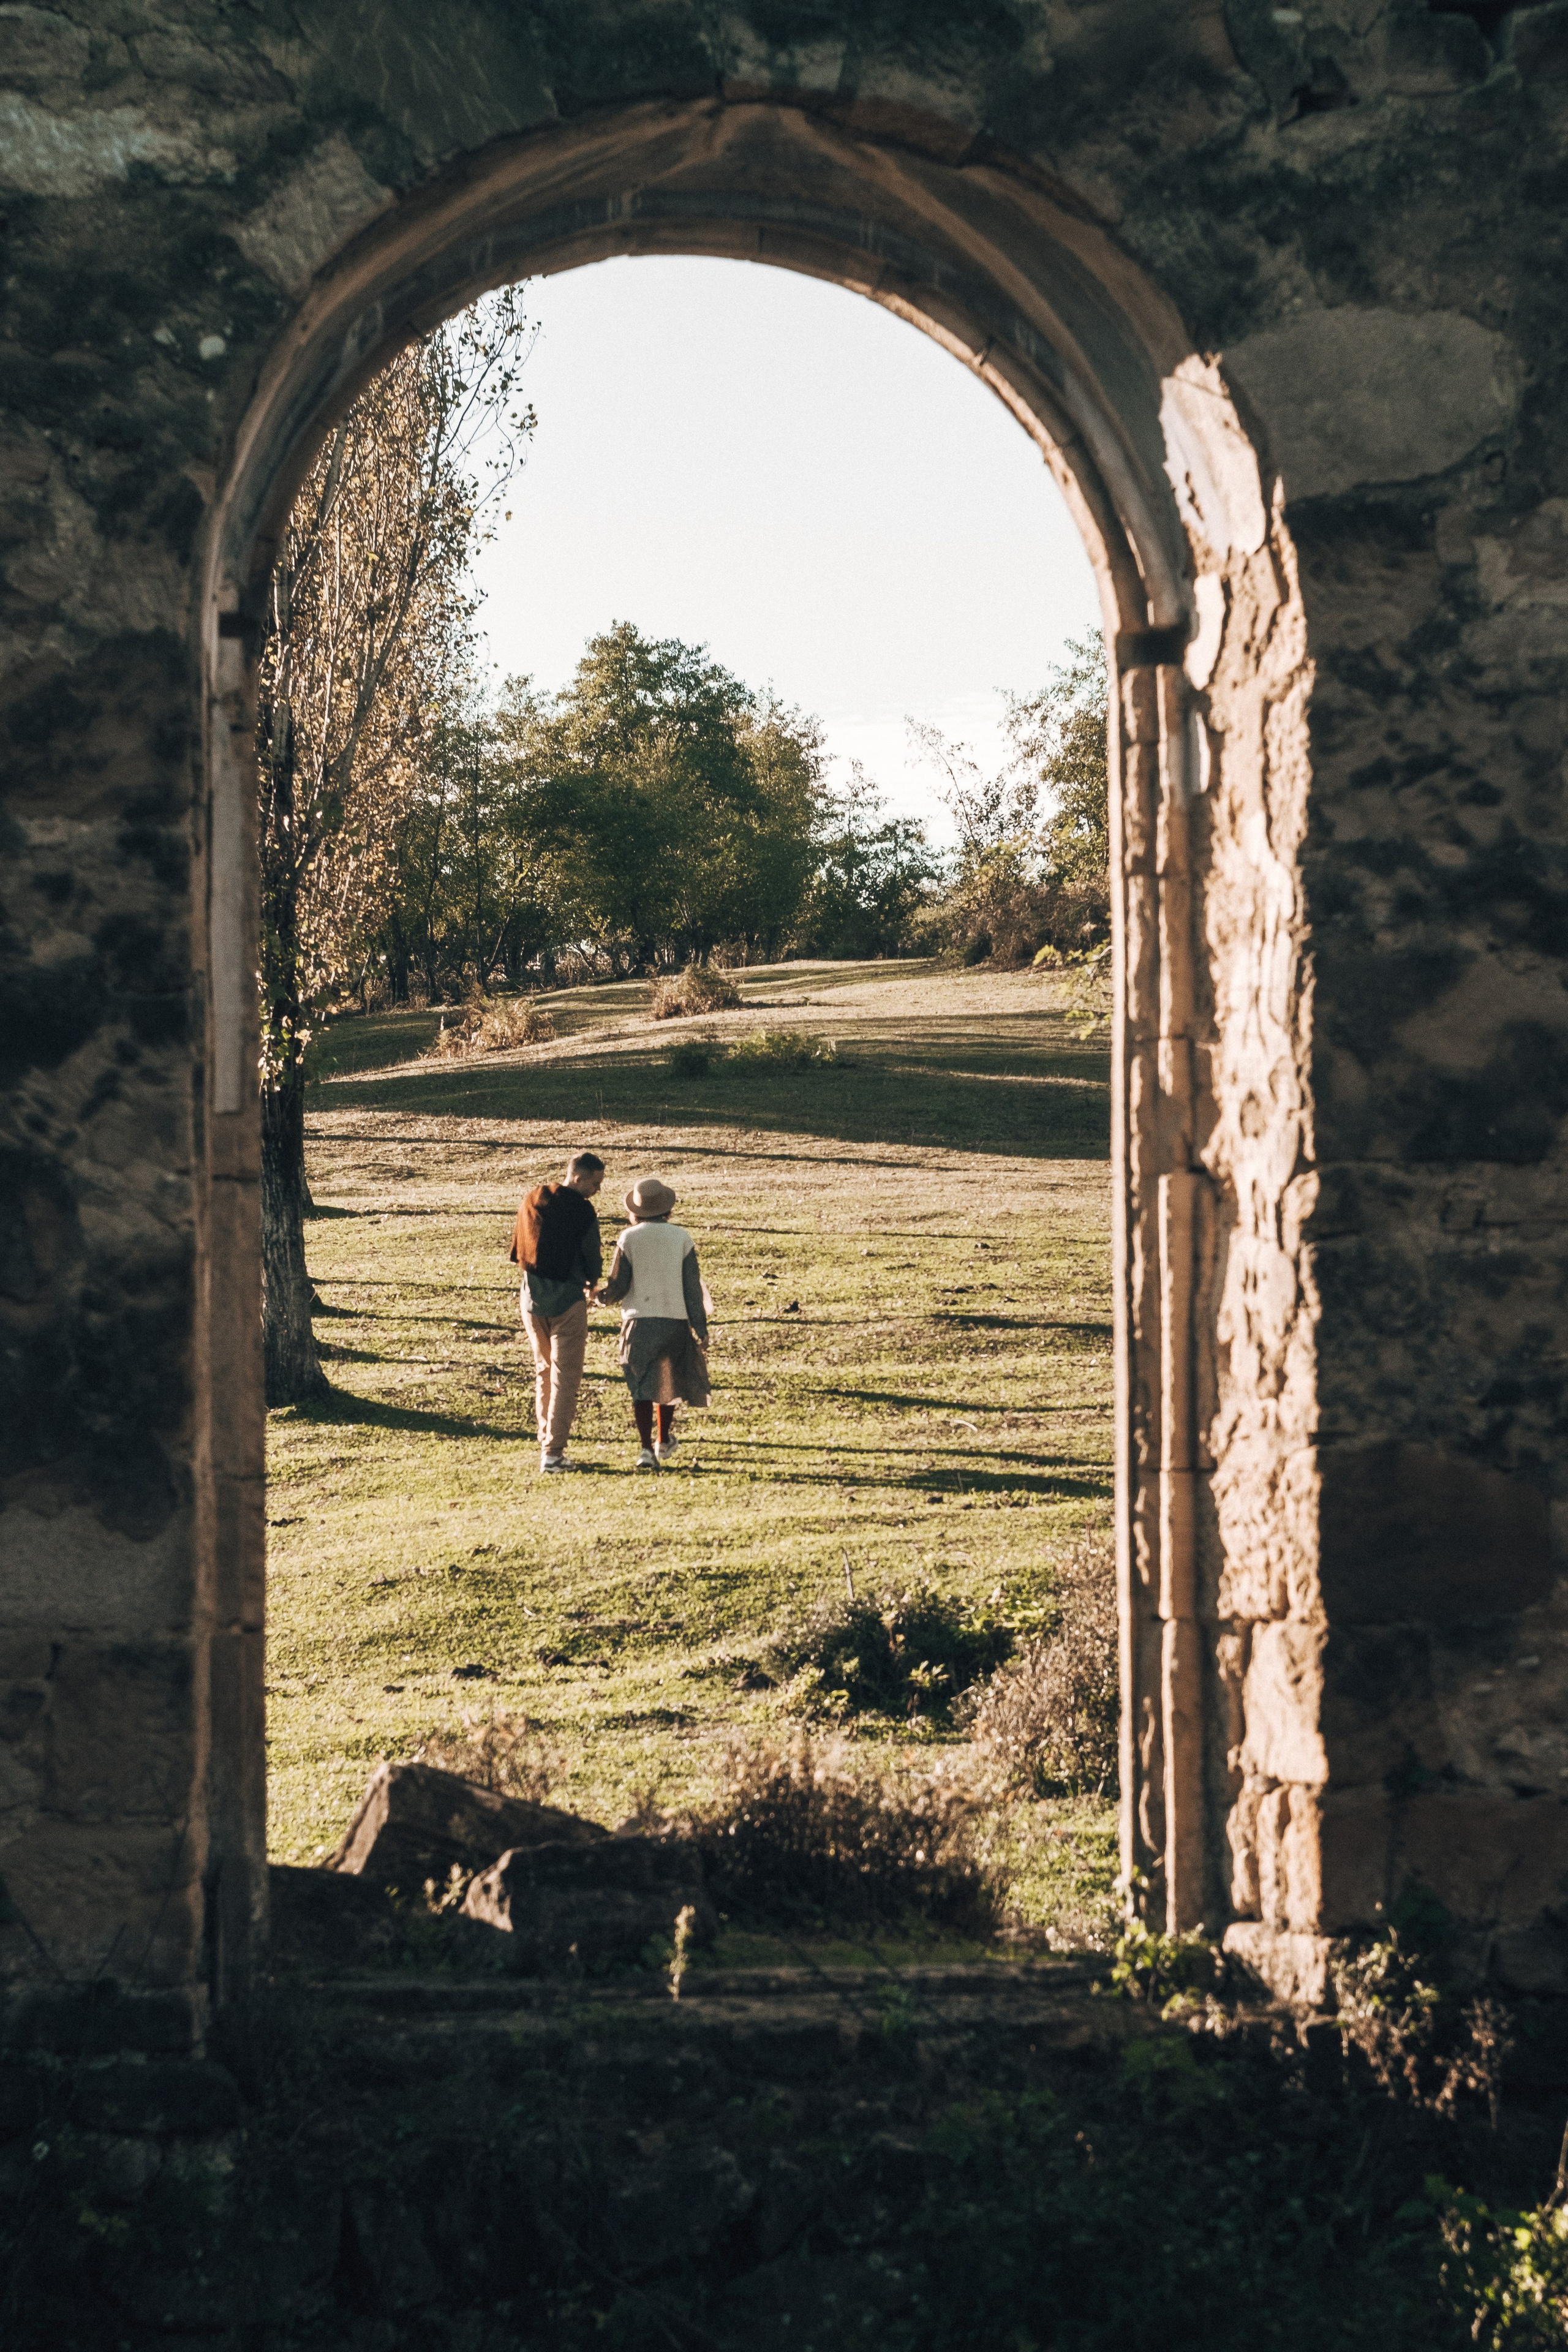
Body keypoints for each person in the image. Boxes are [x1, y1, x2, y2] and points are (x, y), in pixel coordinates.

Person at [598, 1175, 709, 1471]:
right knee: (667, 1383)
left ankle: (646, 1449)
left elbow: (619, 1284)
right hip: (674, 1319)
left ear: (635, 1210)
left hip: (639, 1321)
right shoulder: (682, 1238)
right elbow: (692, 1287)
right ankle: (663, 1439)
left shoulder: (628, 1238)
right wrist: (701, 1327)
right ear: (667, 1209)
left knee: (641, 1386)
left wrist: (601, 1298)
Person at [510, 1151, 605, 1472]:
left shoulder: (533, 1199)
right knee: (567, 1378)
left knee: (544, 1371)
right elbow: (592, 1255)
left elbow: (520, 1244)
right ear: (578, 1178)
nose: (598, 1190)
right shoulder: (582, 1210)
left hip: (531, 1300)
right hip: (567, 1301)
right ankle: (553, 1452)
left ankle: (546, 1438)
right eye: (595, 1183)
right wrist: (593, 1282)